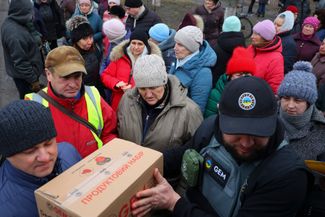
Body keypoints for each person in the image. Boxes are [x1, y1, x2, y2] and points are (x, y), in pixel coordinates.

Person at [131, 76, 310, 217]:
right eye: (236, 133)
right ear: (221, 120)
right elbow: (181, 154)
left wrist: (173, 203)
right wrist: (138, 164)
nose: (246, 143)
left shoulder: (287, 175)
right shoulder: (210, 129)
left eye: (257, 133)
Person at [117, 54, 203, 186]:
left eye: (153, 87)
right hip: (130, 181)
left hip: (167, 186)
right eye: (143, 88)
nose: (148, 94)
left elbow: (195, 159)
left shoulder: (189, 111)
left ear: (164, 82)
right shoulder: (127, 100)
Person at [25, 46, 117, 158]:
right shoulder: (33, 104)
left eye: (77, 76)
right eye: (65, 77)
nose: (73, 84)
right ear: (48, 74)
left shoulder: (93, 94)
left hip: (98, 167)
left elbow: (109, 133)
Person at [0, 100, 81, 217]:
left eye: (48, 144)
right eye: (29, 151)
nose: (45, 157)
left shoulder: (68, 151)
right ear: (8, 155)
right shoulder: (4, 207)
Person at [278, 61, 325, 217]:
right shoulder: (269, 119)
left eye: (298, 100)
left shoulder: (321, 130)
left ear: (309, 102)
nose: (290, 105)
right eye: (286, 98)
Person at [101, 29, 161, 111]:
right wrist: (116, 83)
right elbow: (105, 75)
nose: (136, 47)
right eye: (133, 43)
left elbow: (155, 85)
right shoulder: (120, 57)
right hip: (118, 103)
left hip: (139, 105)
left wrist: (133, 90)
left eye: (140, 44)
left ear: (145, 45)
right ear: (130, 43)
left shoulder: (152, 61)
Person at [169, 26, 217, 114]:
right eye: (175, 43)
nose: (175, 48)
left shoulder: (203, 73)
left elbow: (197, 110)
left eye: (180, 45)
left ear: (191, 47)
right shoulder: (178, 59)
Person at [1, 0, 43, 99]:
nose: (32, 14)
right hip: (25, 78)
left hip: (24, 76)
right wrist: (33, 80)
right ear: (21, 12)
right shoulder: (15, 35)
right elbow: (21, 63)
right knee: (28, 99)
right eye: (29, 11)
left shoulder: (13, 20)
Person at [205, 46, 256, 118]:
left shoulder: (256, 93)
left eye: (247, 74)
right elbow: (210, 120)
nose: (244, 78)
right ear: (230, 76)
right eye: (239, 75)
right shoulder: (216, 95)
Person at [66, 15, 105, 97]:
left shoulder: (95, 49)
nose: (89, 42)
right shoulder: (70, 57)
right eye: (84, 38)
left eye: (91, 37)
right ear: (76, 40)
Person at [248, 19, 284, 94]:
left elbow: (274, 88)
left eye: (256, 34)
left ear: (265, 37)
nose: (252, 36)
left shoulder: (276, 59)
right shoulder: (251, 48)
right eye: (253, 33)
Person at [211, 15, 245, 84]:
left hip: (217, 85)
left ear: (224, 28)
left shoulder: (215, 47)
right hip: (236, 86)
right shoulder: (244, 48)